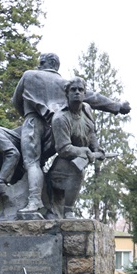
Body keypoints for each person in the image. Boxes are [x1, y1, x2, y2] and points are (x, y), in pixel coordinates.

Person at [12, 53, 131, 214]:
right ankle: (48, 202)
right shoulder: (64, 83)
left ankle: (34, 201)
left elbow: (16, 101)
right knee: (42, 162)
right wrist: (117, 106)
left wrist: (27, 115)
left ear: (42, 63)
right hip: (54, 128)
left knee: (32, 163)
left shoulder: (29, 75)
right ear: (56, 66)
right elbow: (93, 98)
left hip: (33, 122)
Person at [48, 77, 105, 218]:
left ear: (85, 93)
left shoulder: (87, 109)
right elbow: (63, 148)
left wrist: (96, 148)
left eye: (80, 90)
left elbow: (91, 131)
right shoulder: (61, 118)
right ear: (67, 93)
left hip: (80, 157)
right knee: (77, 172)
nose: (77, 92)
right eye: (73, 90)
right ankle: (68, 210)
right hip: (63, 163)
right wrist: (84, 151)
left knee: (78, 169)